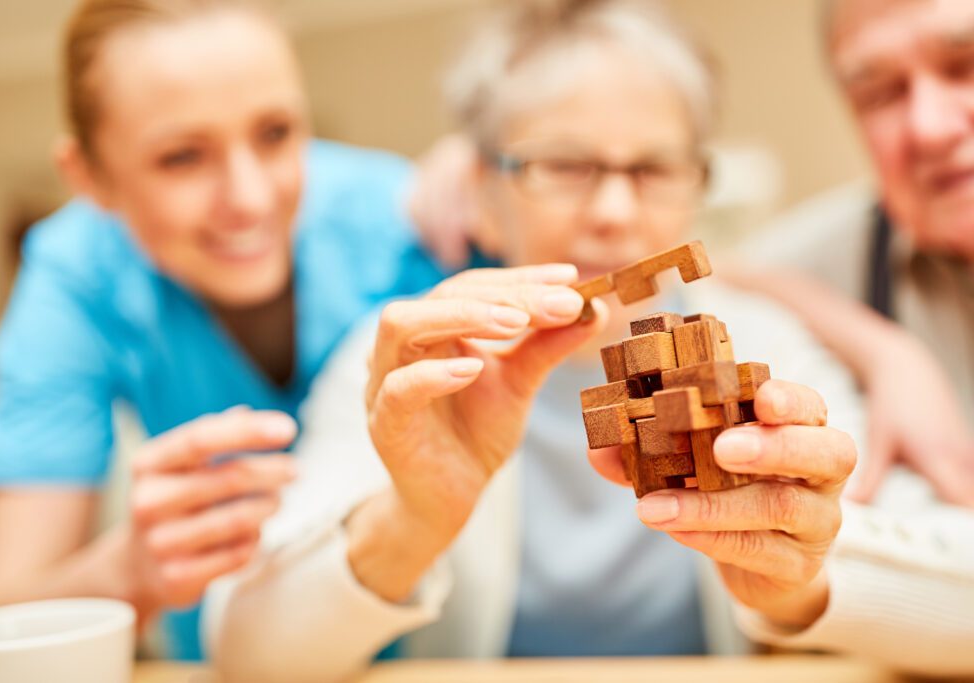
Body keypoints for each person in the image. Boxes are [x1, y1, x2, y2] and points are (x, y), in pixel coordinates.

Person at [204, 1, 971, 679]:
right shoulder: (412, 358)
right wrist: (410, 518)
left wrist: (803, 573)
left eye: (653, 168)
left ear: (698, 187)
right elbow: (243, 654)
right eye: (563, 165)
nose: (611, 212)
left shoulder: (766, 348)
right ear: (480, 192)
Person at [0, 0, 455, 660]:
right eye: (182, 157)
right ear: (89, 177)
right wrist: (129, 571)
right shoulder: (75, 276)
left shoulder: (409, 215)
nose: (249, 197)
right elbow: (1, 623)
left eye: (276, 133)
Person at [733, 0, 974, 506]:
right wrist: (883, 350)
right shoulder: (836, 255)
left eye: (966, 64)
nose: (929, 128)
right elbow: (706, 276)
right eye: (879, 94)